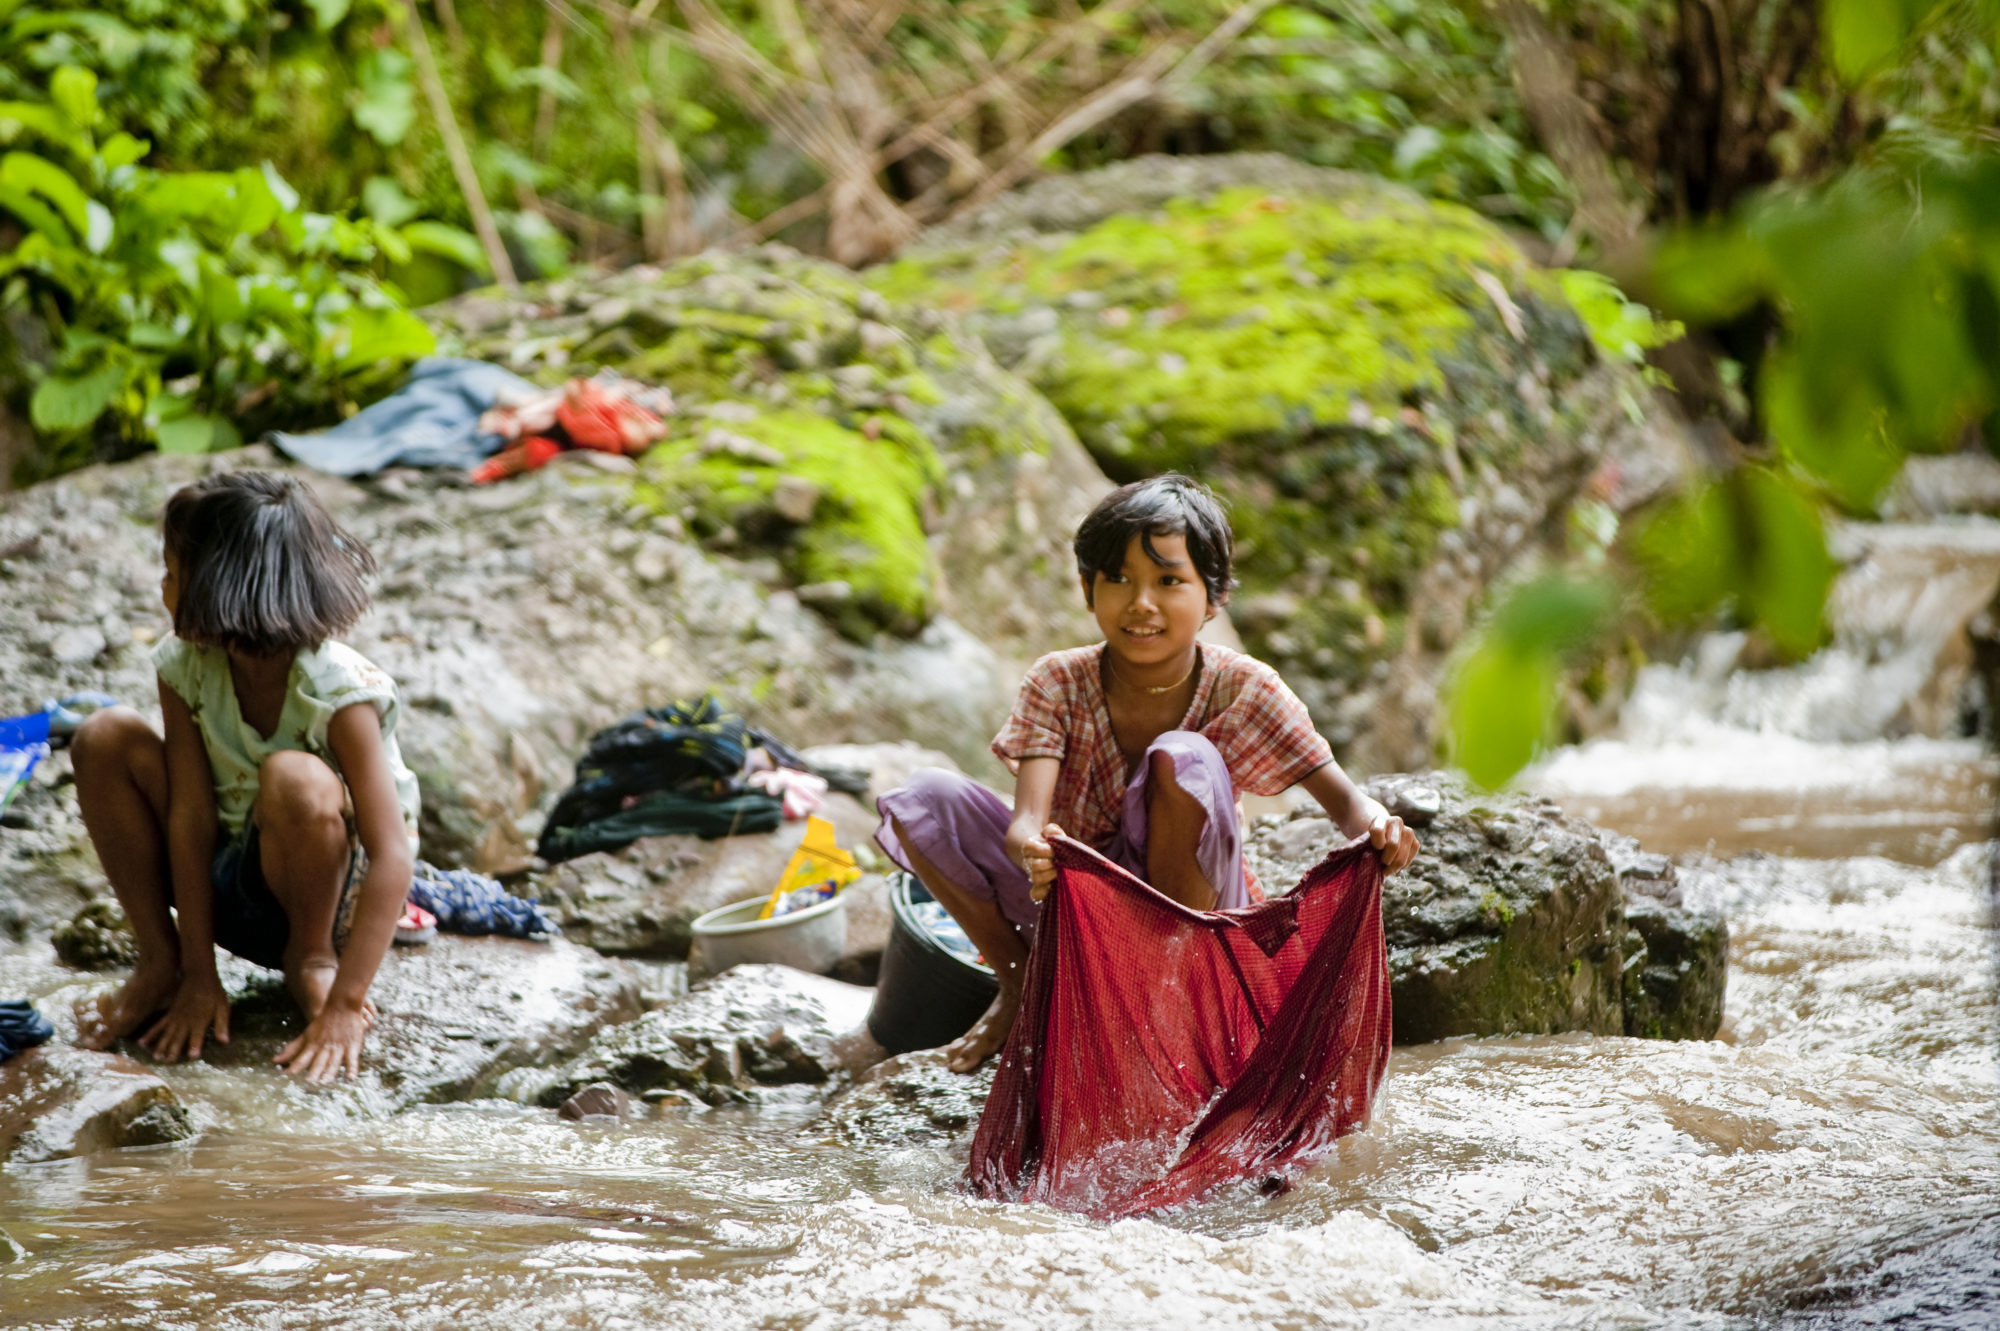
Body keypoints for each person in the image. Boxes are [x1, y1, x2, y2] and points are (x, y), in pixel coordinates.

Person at [876, 474, 1421, 1073]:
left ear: (1212, 599)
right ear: (1088, 591)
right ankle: (1021, 986)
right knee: (920, 798)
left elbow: (1347, 804)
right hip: (1077, 903)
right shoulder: (1057, 680)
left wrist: (1381, 827)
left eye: (1168, 581)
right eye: (1118, 580)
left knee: (1183, 755)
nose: (1141, 603)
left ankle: (1170, 998)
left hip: (1196, 918)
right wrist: (1034, 846)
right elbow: (1026, 819)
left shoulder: (1245, 687)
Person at [71, 470, 422, 1083]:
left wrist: (345, 1003)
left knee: (294, 778)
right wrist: (200, 973)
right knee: (103, 735)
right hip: (226, 882)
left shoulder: (340, 690)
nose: (163, 587)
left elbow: (393, 852)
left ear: (218, 587)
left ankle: (309, 962)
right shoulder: (186, 665)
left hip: (324, 898)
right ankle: (161, 962)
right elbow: (189, 812)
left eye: (173, 574)